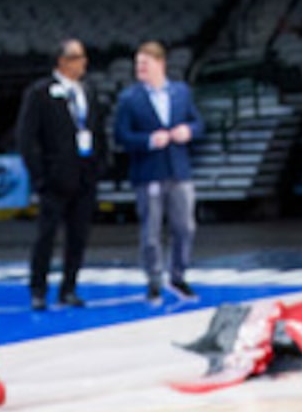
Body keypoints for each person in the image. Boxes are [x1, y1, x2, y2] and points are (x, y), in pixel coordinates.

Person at [114, 40, 203, 302]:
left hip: (179, 170)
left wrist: (189, 131)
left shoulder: (181, 92)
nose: (140, 68)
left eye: (145, 63)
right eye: (138, 64)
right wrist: (149, 140)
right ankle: (153, 280)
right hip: (148, 171)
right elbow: (121, 135)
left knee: (185, 227)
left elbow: (198, 122)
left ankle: (179, 275)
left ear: (160, 64)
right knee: (151, 231)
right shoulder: (129, 98)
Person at [17, 39, 98, 309]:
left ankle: (69, 288)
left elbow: (96, 129)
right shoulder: (40, 92)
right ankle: (38, 289)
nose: (83, 63)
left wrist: (99, 164)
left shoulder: (88, 90)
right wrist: (39, 176)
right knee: (46, 236)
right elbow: (27, 138)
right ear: (62, 61)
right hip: (54, 178)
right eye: (77, 57)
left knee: (78, 236)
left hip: (84, 175)